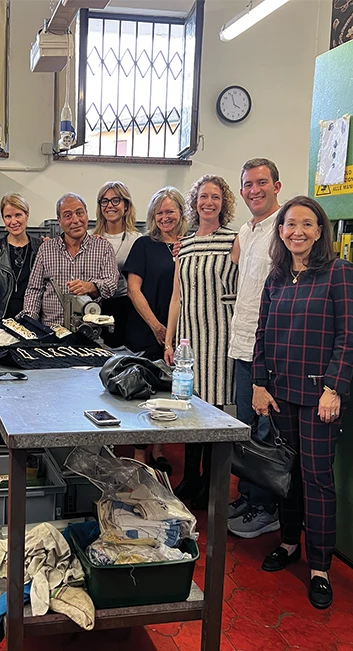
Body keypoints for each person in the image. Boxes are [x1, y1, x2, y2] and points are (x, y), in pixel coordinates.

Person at [252, 195, 353, 610]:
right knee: (287, 475)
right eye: (290, 224)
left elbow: (346, 337)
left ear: (320, 231)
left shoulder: (338, 273)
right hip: (280, 394)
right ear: (281, 232)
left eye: (307, 224)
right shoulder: (276, 277)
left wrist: (334, 388)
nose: (297, 231)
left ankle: (320, 568)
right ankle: (289, 542)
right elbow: (262, 335)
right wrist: (259, 384)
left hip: (318, 399)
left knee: (316, 479)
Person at [164, 176, 238, 504]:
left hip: (221, 337)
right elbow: (176, 297)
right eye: (203, 196)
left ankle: (211, 484)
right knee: (190, 410)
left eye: (216, 197)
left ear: (224, 203)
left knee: (215, 412)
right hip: (189, 341)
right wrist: (169, 341)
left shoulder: (235, 240)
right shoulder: (186, 244)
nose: (209, 202)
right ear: (195, 203)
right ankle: (190, 478)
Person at [227, 158, 283, 538]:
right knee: (245, 428)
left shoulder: (284, 227)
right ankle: (249, 496)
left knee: (266, 431)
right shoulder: (247, 231)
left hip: (272, 349)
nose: (255, 190)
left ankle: (267, 508)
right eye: (248, 184)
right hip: (242, 343)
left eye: (262, 182)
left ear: (277, 186)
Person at [125, 187, 187, 473]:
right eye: (159, 212)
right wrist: (156, 326)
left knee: (168, 391)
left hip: (181, 332)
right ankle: (140, 453)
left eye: (170, 211)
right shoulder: (144, 245)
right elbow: (133, 290)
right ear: (152, 216)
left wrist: (172, 333)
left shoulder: (189, 244)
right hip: (146, 329)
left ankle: (160, 448)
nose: (165, 217)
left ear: (181, 213)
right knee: (143, 392)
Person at [21, 193, 118, 327]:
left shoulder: (103, 247)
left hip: (88, 330)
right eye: (67, 216)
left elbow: (111, 284)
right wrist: (29, 323)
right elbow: (34, 290)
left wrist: (91, 286)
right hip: (52, 330)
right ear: (59, 221)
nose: (75, 220)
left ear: (87, 214)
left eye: (79, 213)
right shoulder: (46, 249)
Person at [91, 182, 141, 347]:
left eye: (115, 200)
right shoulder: (89, 238)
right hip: (96, 305)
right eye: (104, 201)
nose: (109, 206)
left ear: (126, 205)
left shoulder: (137, 240)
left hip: (126, 306)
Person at [0, 193, 41, 320]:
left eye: (18, 215)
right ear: (3, 219)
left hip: (32, 321)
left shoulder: (40, 247)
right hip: (0, 320)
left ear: (26, 215)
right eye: (8, 216)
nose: (13, 221)